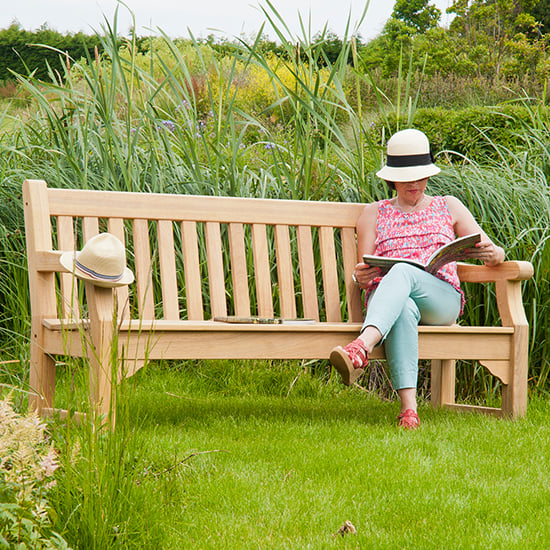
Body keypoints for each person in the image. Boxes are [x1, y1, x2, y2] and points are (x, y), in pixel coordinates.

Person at [329, 129, 505, 429]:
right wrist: (361, 276)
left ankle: (361, 346)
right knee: (404, 306)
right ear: (391, 178)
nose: (415, 183)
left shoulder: (448, 205)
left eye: (421, 175)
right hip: (393, 302)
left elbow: (495, 253)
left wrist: (493, 253)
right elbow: (364, 272)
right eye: (407, 176)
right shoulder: (373, 213)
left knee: (403, 272)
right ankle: (409, 412)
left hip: (441, 301)